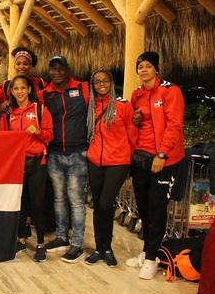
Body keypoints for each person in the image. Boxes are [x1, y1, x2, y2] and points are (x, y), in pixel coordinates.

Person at [127, 52, 185, 280]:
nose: (143, 70)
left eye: (148, 66)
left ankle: (152, 259)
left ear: (157, 69)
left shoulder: (171, 91)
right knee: (143, 206)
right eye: (140, 67)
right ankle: (146, 251)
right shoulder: (137, 94)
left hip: (164, 158)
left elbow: (175, 125)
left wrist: (162, 154)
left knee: (157, 207)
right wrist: (136, 120)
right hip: (141, 157)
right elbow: (137, 122)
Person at [0, 75, 53, 262]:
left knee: (37, 203)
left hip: (37, 162)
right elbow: (2, 139)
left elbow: (50, 136)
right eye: (16, 89)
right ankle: (20, 238)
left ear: (29, 89)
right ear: (11, 92)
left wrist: (38, 132)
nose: (20, 92)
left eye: (23, 88)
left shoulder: (40, 110)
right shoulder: (8, 114)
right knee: (18, 201)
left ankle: (40, 244)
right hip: (16, 163)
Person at [85, 70, 137, 267]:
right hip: (95, 161)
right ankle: (99, 248)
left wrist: (131, 161)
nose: (101, 84)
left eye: (105, 80)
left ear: (111, 82)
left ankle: (108, 247)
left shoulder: (123, 106)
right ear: (93, 84)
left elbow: (132, 133)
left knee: (106, 204)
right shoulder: (91, 106)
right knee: (98, 205)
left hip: (118, 161)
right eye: (97, 81)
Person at [41, 55, 90, 263]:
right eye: (53, 69)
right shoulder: (44, 94)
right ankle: (62, 237)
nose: (57, 72)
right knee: (59, 198)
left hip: (78, 153)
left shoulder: (83, 89)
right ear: (49, 72)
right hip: (54, 154)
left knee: (76, 200)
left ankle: (77, 243)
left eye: (61, 68)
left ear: (67, 70)